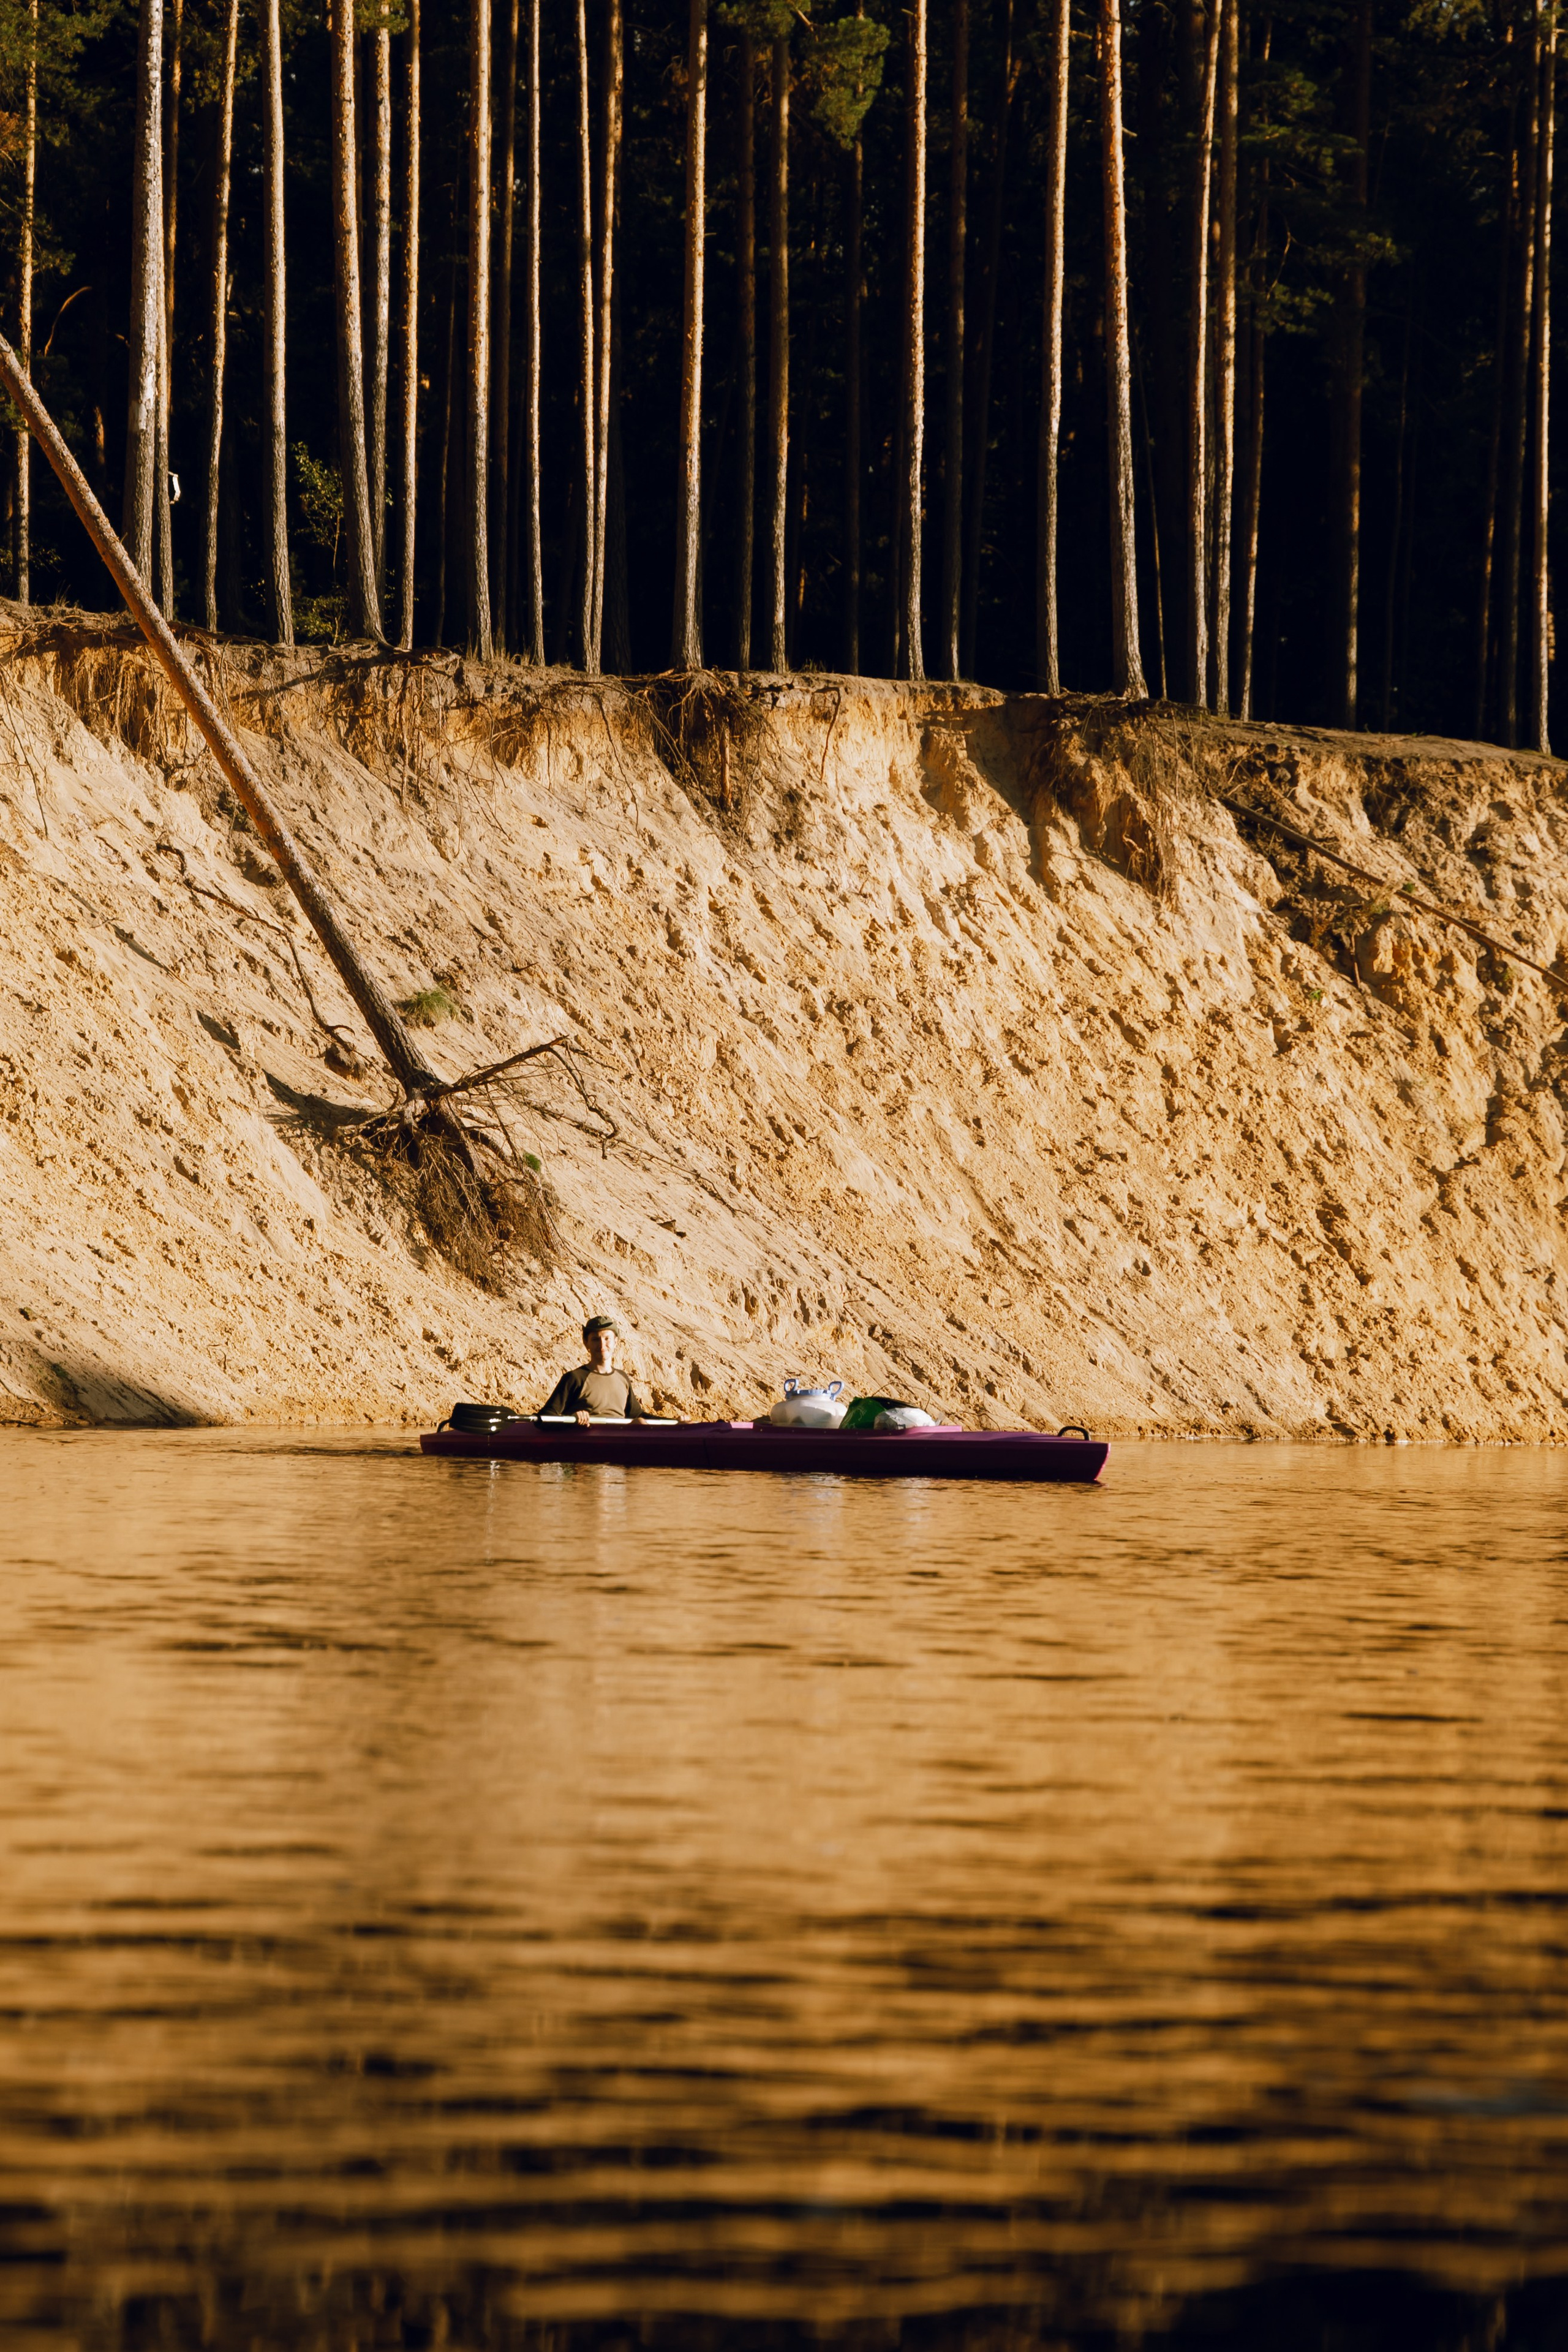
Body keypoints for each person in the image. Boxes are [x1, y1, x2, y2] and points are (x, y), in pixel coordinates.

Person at [538, 1316, 648, 1426]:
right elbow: (545, 1417)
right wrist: (571, 1420)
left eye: (607, 1339)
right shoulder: (575, 1378)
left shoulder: (623, 1377)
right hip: (585, 1437)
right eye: (595, 1339)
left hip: (619, 1437)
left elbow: (637, 1414)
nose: (602, 1345)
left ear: (616, 1342)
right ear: (586, 1343)